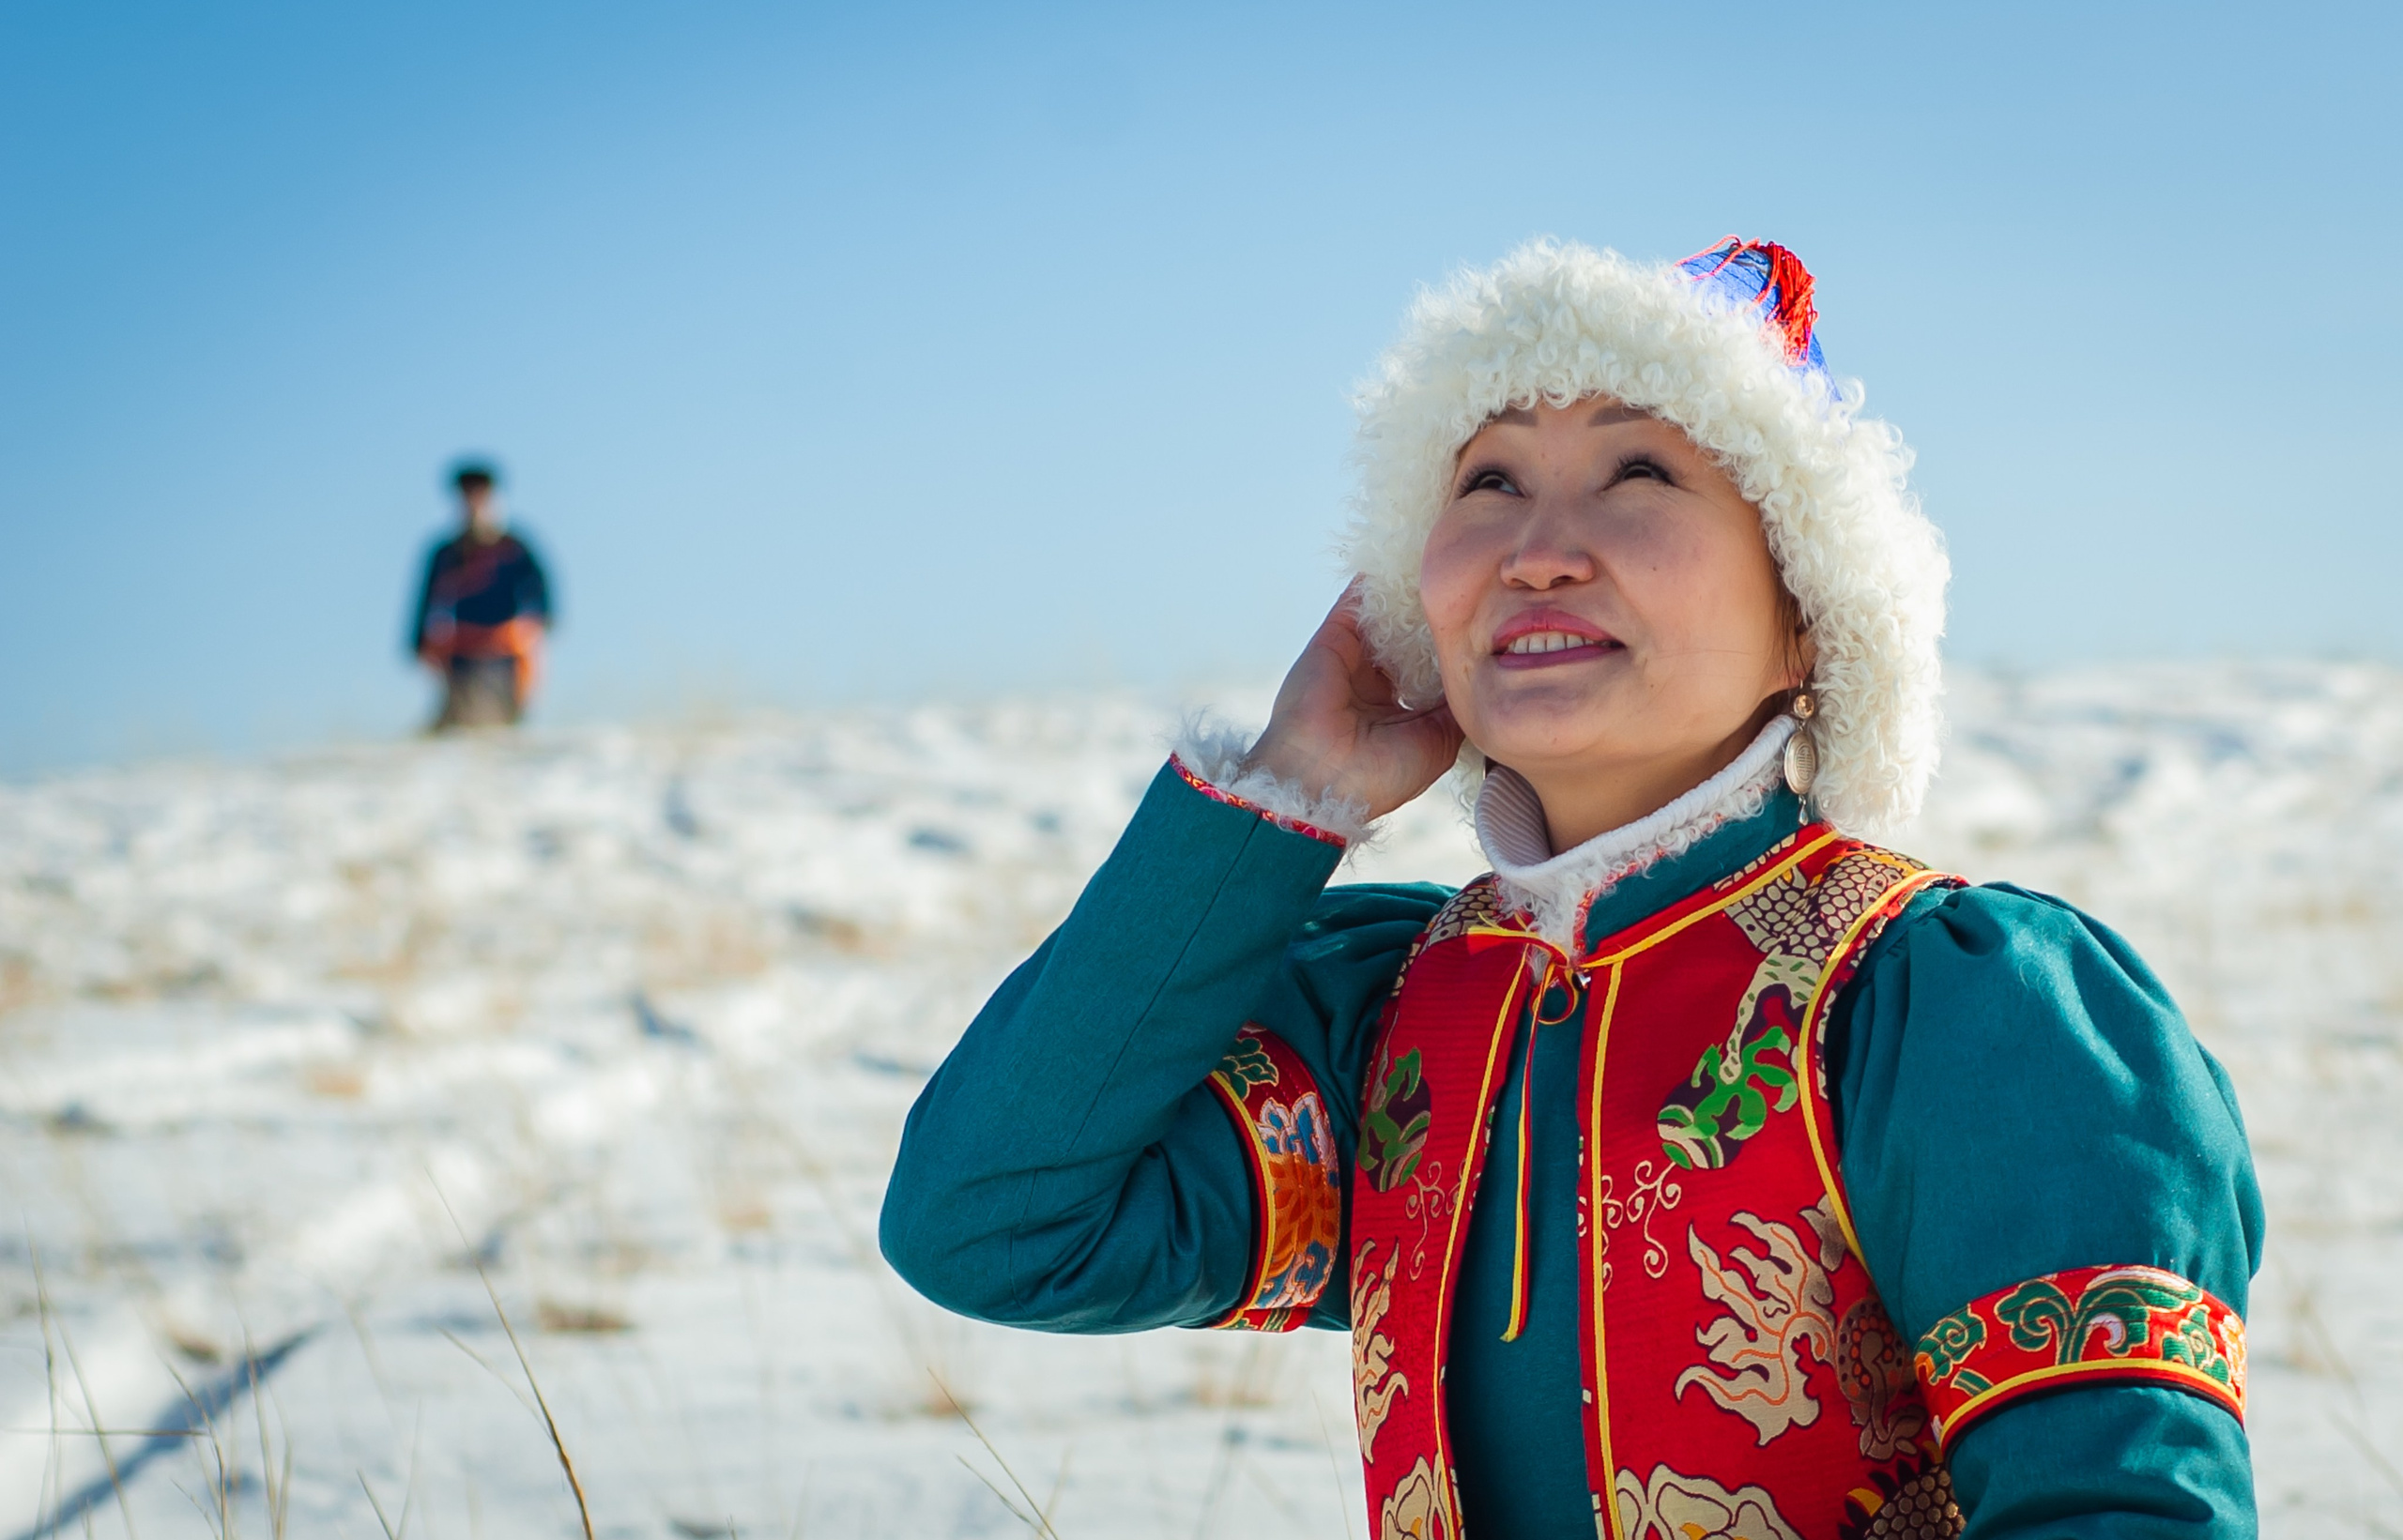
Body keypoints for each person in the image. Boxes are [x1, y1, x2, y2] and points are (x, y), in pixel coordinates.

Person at [880, 238, 2260, 1537]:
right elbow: (991, 1226)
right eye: (1487, 483)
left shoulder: (1956, 1011)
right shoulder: (1394, 1012)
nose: (1537, 548)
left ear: (1809, 613)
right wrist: (1289, 790)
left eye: (1639, 471)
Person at [408, 460, 553, 730]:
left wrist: (536, 625)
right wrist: (417, 643)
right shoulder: (446, 553)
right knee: (459, 713)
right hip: (462, 647)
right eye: (467, 495)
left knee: (507, 715)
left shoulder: (513, 546)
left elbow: (542, 590)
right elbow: (425, 600)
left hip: (507, 646)